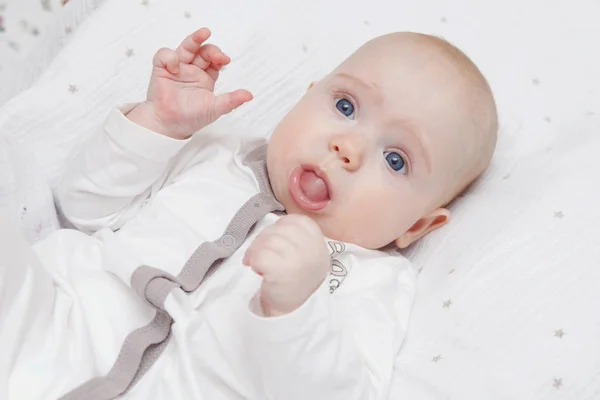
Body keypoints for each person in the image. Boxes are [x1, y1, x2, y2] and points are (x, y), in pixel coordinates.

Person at [0, 27, 497, 399]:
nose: (348, 148)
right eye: (345, 107)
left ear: (417, 225)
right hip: (53, 321)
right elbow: (83, 210)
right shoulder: (216, 153)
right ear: (305, 98)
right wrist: (156, 125)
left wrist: (296, 310)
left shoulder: (371, 283)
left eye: (396, 160)